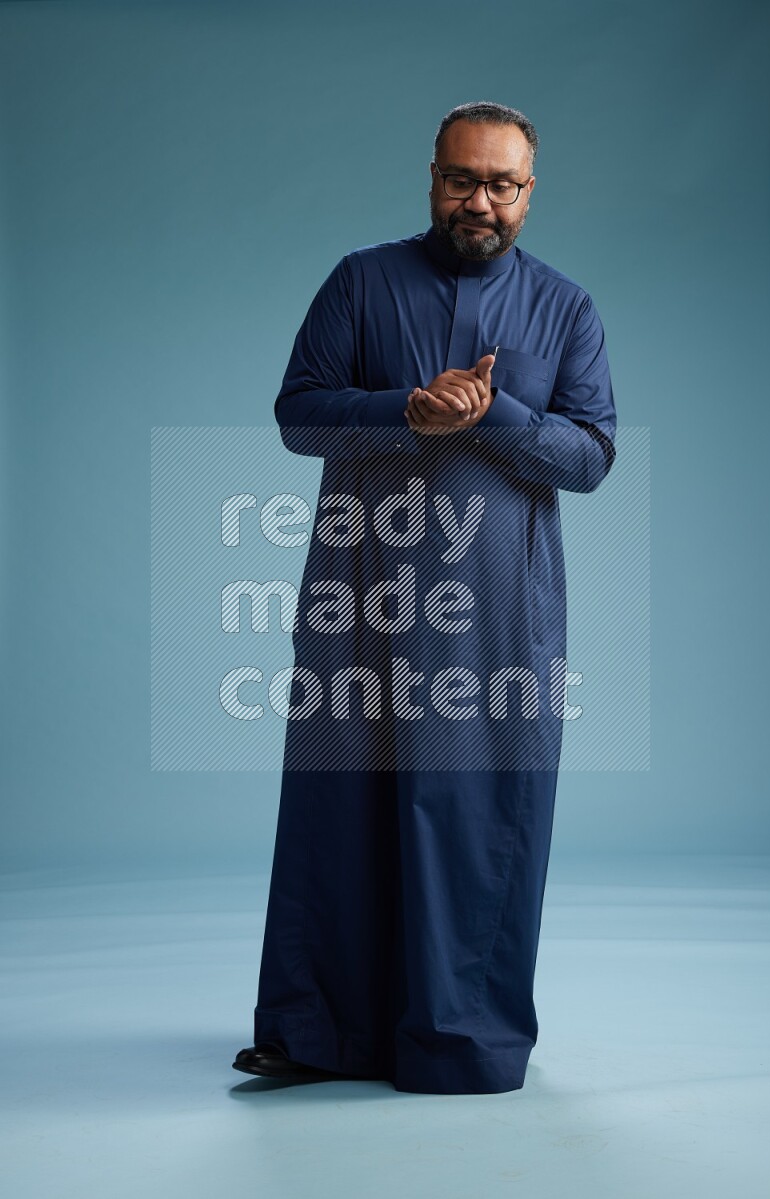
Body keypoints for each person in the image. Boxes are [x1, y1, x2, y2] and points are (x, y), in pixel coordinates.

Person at [233, 100, 617, 1095]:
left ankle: (459, 1038)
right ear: (432, 178)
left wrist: (496, 414)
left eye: (500, 185)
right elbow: (299, 414)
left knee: (473, 808)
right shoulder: (361, 282)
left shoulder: (565, 308)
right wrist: (405, 409)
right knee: (339, 801)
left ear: (528, 192)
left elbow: (590, 456)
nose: (478, 202)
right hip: (361, 594)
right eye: (460, 180)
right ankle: (315, 1030)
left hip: (496, 612)